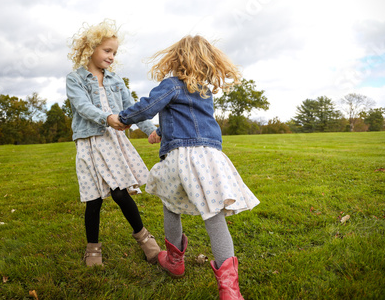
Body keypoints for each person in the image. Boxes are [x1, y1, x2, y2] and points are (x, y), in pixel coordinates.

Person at [117, 35, 260, 299]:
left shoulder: (171, 85)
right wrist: (161, 131)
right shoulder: (204, 92)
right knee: (213, 214)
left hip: (181, 158)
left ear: (176, 59)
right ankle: (230, 290)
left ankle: (174, 261)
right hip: (209, 158)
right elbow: (188, 119)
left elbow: (147, 107)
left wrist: (122, 118)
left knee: (171, 205)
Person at [66, 19, 161, 267]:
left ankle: (145, 239)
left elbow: (131, 108)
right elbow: (82, 106)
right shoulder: (75, 79)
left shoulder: (116, 80)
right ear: (90, 49)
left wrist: (150, 129)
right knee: (94, 199)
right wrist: (107, 118)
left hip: (113, 141)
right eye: (107, 50)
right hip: (89, 141)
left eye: (114, 53)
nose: (111, 56)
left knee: (120, 193)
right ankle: (93, 249)